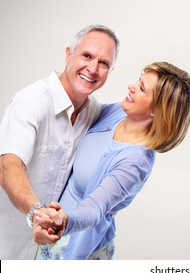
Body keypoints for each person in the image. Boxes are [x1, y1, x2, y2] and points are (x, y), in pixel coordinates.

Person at [32, 61, 190, 260]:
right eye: (139, 80)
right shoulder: (118, 113)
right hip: (54, 229)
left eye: (142, 88)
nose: (131, 85)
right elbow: (79, 114)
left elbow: (94, 208)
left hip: (76, 245)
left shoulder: (134, 162)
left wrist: (64, 219)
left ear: (157, 110)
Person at [0, 24, 119, 260]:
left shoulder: (95, 112)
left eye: (104, 63)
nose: (93, 68)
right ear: (68, 55)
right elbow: (7, 166)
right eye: (87, 55)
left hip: (50, 253)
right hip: (8, 245)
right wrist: (37, 214)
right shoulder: (31, 102)